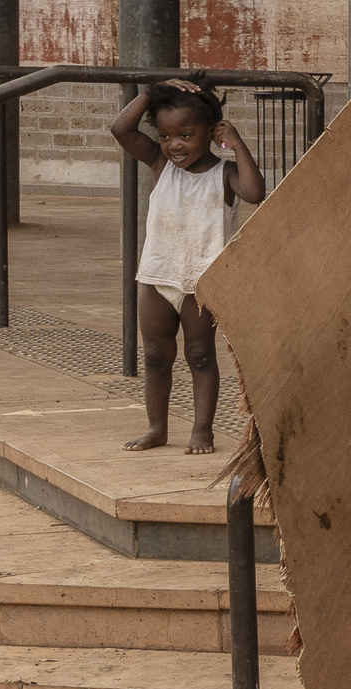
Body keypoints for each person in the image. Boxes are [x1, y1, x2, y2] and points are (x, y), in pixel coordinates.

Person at [111, 82, 264, 455]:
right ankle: (157, 427)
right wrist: (150, 92)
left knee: (199, 355)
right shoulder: (161, 165)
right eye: (165, 135)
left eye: (185, 135)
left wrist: (238, 143)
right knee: (155, 356)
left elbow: (255, 192)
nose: (173, 145)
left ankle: (202, 430)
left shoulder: (224, 174)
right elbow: (120, 129)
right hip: (157, 277)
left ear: (211, 131)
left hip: (202, 283)